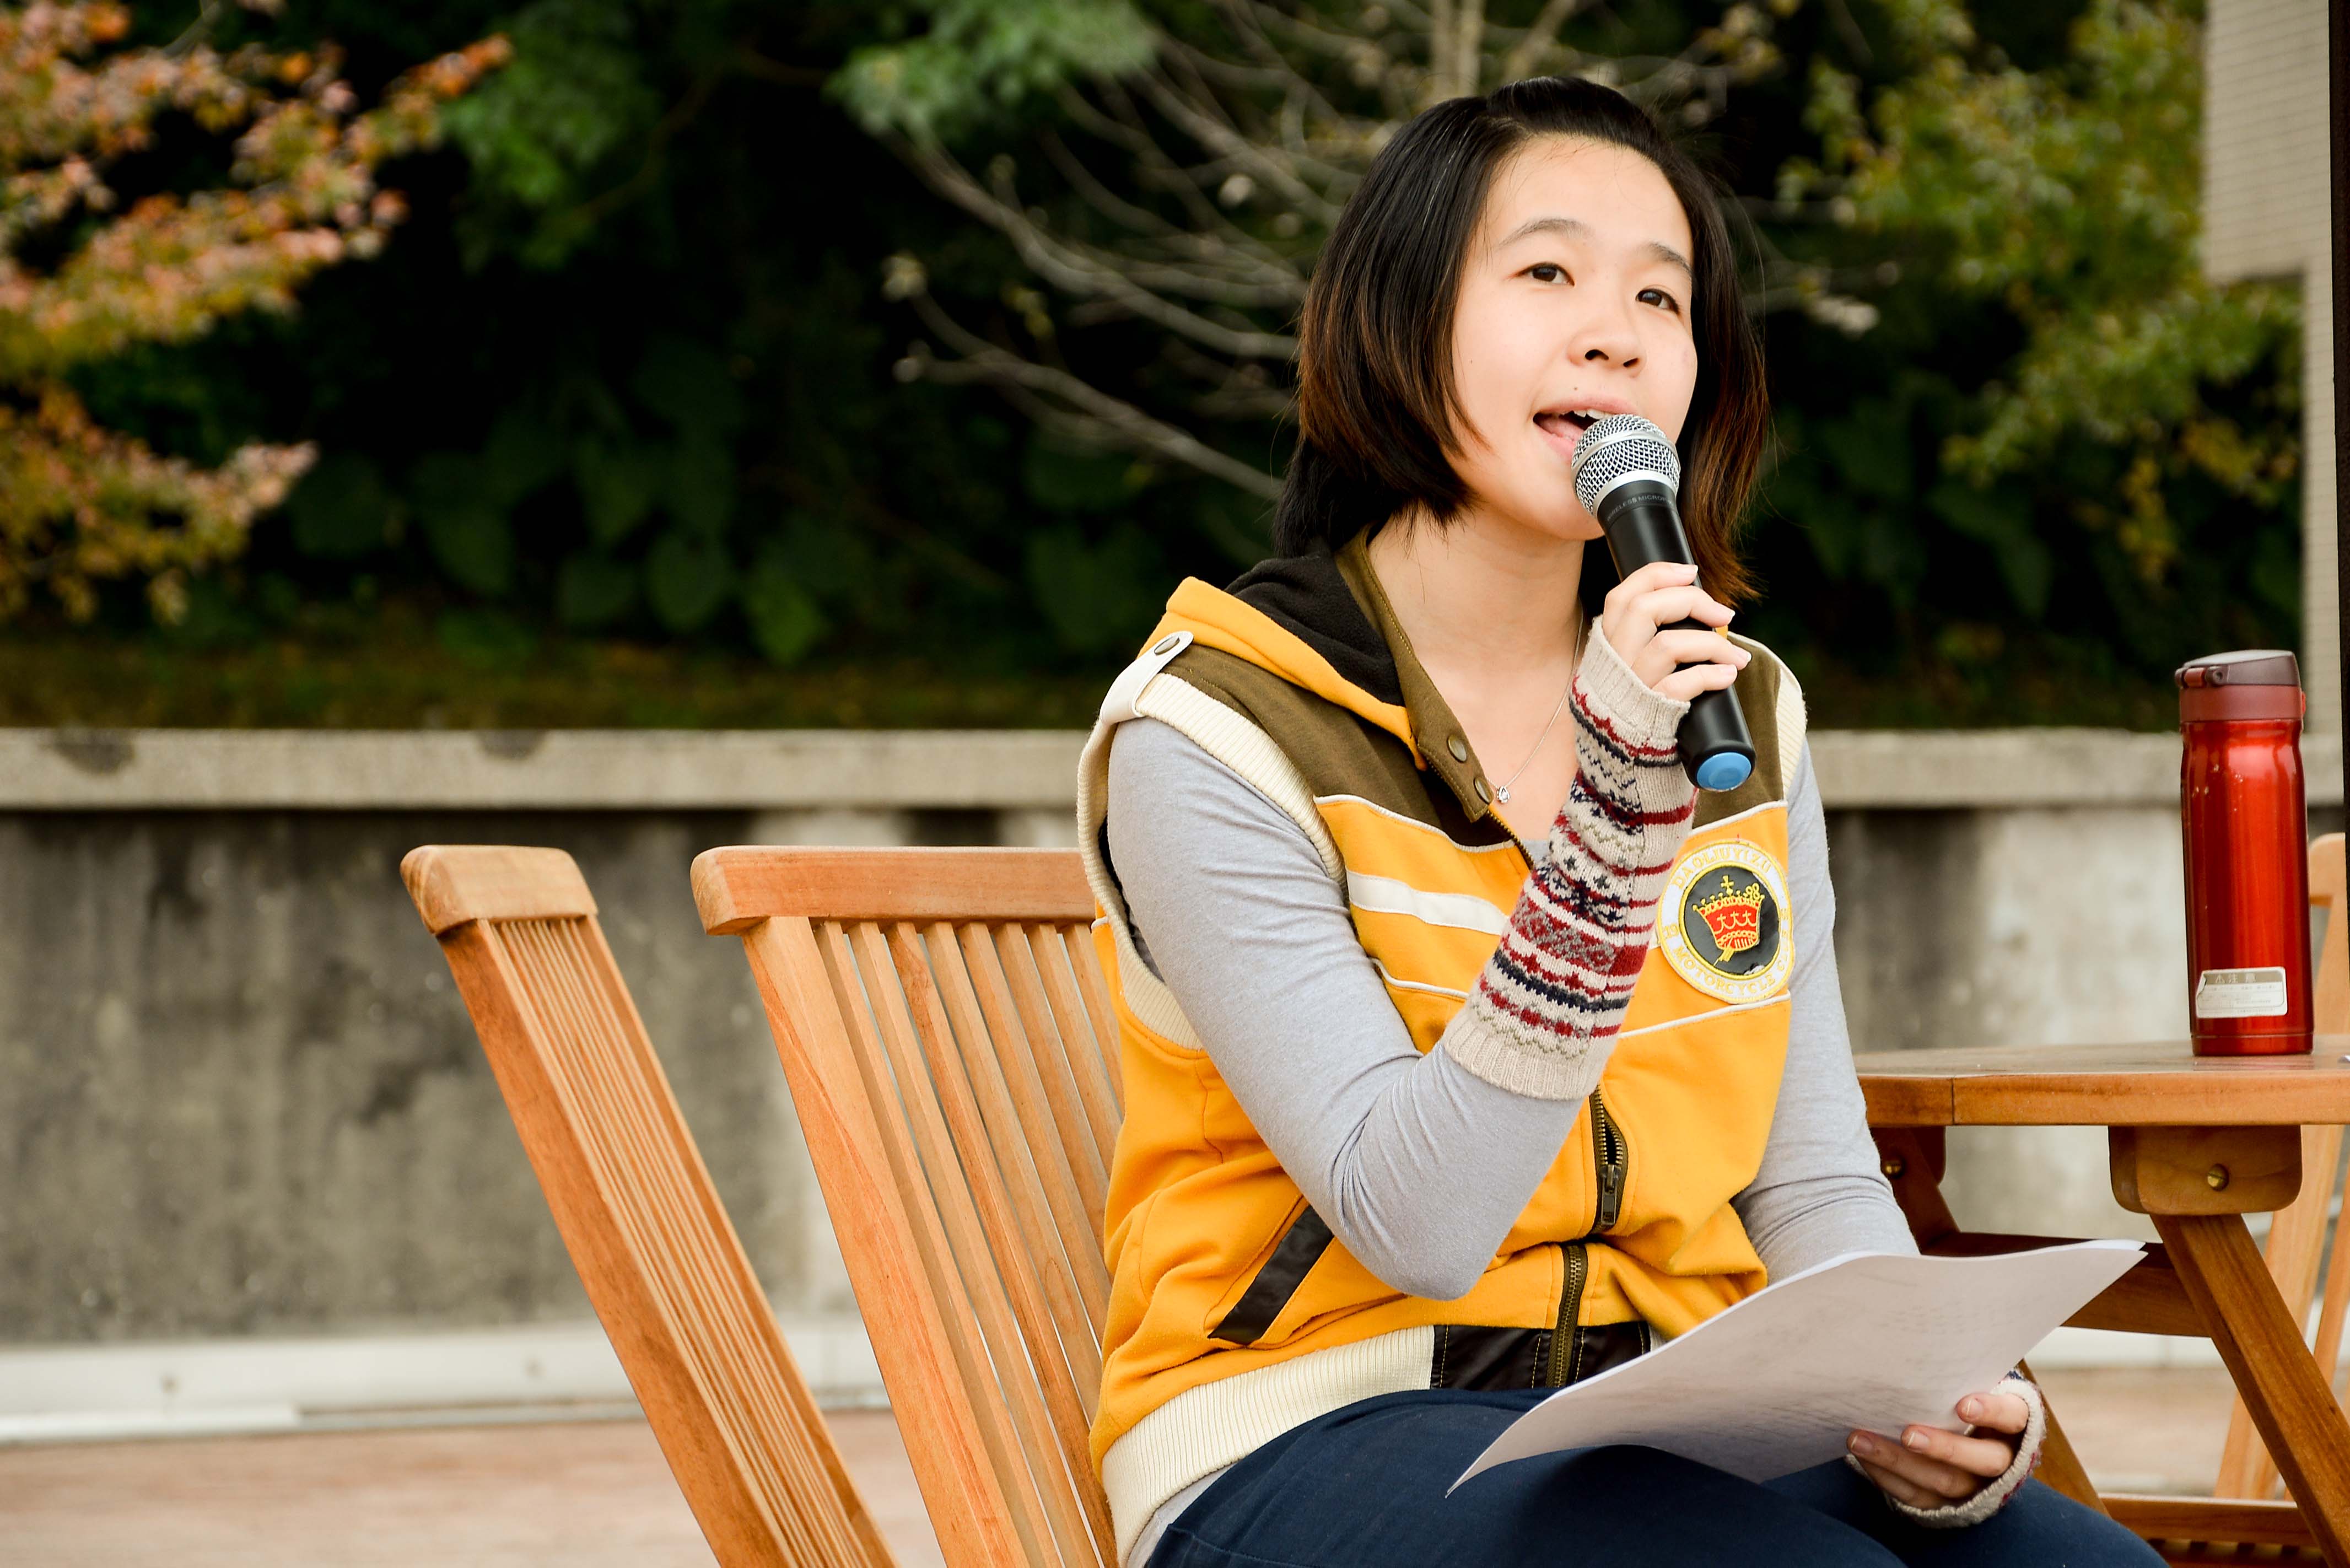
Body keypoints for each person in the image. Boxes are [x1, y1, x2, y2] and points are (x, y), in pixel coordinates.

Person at [1070, 76, 2162, 1568]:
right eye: (1547, 273)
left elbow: (1810, 1176)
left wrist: (1924, 1396)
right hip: (1311, 1431)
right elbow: (1416, 1223)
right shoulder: (1219, 732)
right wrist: (1616, 805)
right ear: (1398, 321)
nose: (1617, 332)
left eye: (1662, 295)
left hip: (1678, 1427)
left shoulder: (1740, 715)